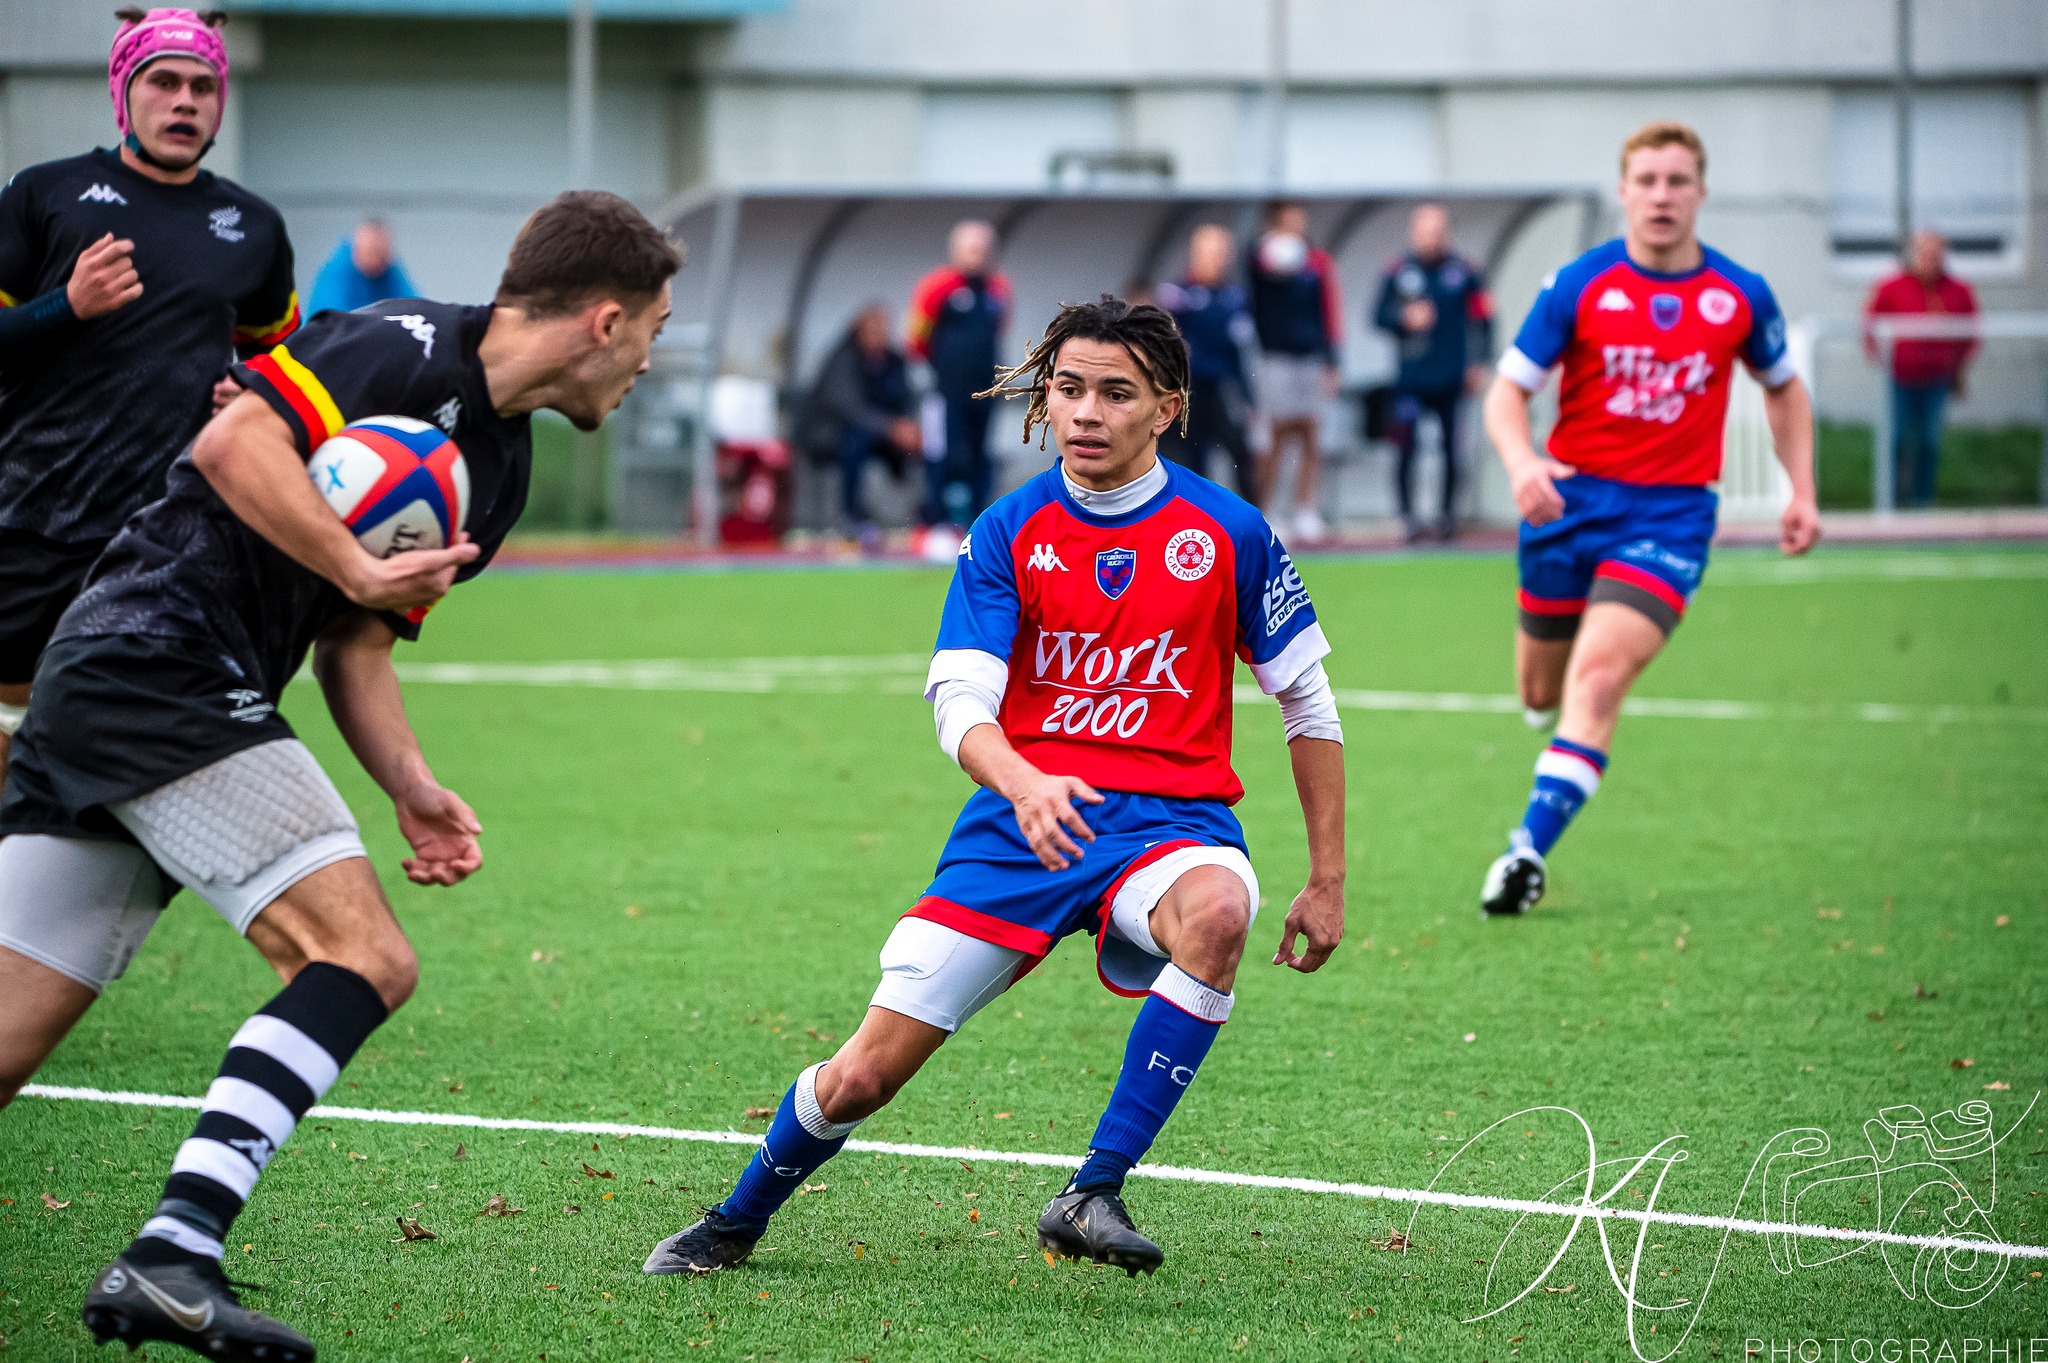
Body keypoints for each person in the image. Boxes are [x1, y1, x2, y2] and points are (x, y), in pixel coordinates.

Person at [0, 190, 679, 1360]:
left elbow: (357, 640)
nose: (649, 362)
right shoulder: (397, 343)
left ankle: (174, 1253)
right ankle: (176, 1250)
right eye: (657, 331)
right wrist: (355, 562)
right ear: (606, 320)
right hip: (153, 657)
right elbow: (231, 444)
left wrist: (411, 783)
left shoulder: (497, 467)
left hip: (137, 690)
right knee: (360, 955)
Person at [643, 296, 1346, 1279]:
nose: (1085, 412)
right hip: (1017, 826)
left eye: (1115, 392)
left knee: (1218, 913)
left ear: (1167, 408)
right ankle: (736, 1217)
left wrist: (1326, 876)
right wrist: (1020, 780)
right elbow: (956, 700)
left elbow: (1306, 705)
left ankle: (1092, 1187)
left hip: (1168, 824)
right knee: (861, 1076)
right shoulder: (1006, 530)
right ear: (1044, 399)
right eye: (1067, 390)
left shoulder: (1229, 532)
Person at [1477, 121, 1819, 916]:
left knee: (1597, 683)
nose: (1663, 196)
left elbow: (1784, 387)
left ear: (1701, 192)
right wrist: (1525, 464)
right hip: (1568, 506)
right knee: (1541, 690)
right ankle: (1545, 723)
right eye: (1649, 181)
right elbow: (1506, 393)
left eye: (1678, 181)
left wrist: (1800, 489)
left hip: (1669, 518)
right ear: (1624, 191)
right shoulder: (1578, 284)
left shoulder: (1739, 293)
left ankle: (1525, 851)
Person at [0, 6, 297, 792]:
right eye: (163, 82)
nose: (185, 101)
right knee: (10, 726)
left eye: (203, 86)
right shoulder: (43, 194)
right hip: (33, 517)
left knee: (128, 728)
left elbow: (282, 360)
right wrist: (66, 303)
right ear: (123, 93)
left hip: (162, 533)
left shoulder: (254, 228)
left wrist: (255, 388)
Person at [1373, 203, 1493, 542]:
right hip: (1410, 379)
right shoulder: (1398, 271)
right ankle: (1407, 517)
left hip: (1451, 379)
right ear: (1415, 234)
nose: (1432, 238)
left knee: (1452, 450)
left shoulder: (1465, 271)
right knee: (1406, 448)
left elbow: (1483, 320)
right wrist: (1404, 320)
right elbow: (1378, 316)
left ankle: (1447, 517)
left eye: (1438, 232)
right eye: (1426, 232)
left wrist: (1478, 363)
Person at [1245, 201, 1342, 542]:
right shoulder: (1262, 255)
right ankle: (1268, 509)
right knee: (1275, 435)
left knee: (1311, 435)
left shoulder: (1316, 262)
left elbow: (1329, 311)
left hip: (1311, 358)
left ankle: (1306, 509)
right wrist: (1273, 248)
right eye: (1288, 220)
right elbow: (1257, 268)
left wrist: (1333, 361)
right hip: (1275, 357)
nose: (1296, 225)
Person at [906, 219, 1011, 529]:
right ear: (957, 251)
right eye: (972, 250)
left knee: (981, 454)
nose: (978, 256)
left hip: (986, 388)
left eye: (984, 250)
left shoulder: (998, 288)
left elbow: (999, 329)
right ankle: (938, 520)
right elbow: (917, 338)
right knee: (946, 454)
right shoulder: (937, 287)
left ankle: (978, 521)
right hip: (947, 389)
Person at [1864, 228, 1978, 508]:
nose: (1932, 260)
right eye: (1926, 254)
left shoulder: (1958, 291)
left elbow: (1971, 331)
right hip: (1901, 377)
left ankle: (1922, 501)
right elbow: (1869, 323)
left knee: (1929, 441)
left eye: (1937, 254)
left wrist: (1956, 365)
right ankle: (1893, 499)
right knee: (1898, 438)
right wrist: (1883, 358)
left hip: (1937, 380)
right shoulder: (1893, 287)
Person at [797, 304, 919, 551]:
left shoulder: (893, 360)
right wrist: (890, 427)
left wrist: (909, 426)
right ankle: (848, 516)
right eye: (874, 329)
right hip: (832, 435)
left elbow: (906, 397)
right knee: (856, 441)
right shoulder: (843, 358)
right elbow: (850, 408)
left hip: (881, 436)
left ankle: (924, 518)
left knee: (928, 445)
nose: (881, 334)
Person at [1157, 223, 1258, 499]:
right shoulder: (1177, 295)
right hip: (1186, 389)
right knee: (1189, 454)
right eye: (1210, 252)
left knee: (1240, 450)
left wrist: (1250, 399)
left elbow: (1239, 349)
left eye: (1222, 252)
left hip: (1221, 387)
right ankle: (1188, 512)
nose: (1216, 259)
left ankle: (1250, 514)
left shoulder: (1234, 297)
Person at [307, 216, 417, 317]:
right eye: (372, 250)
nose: (379, 258)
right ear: (356, 247)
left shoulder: (390, 270)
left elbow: (415, 307)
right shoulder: (336, 276)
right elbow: (333, 321)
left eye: (383, 251)